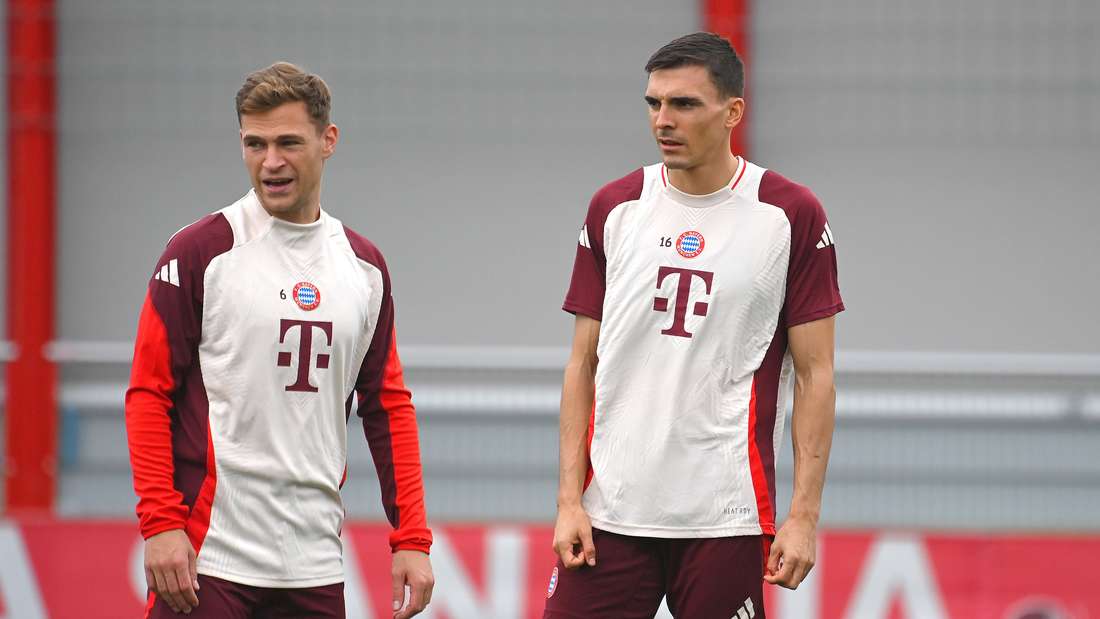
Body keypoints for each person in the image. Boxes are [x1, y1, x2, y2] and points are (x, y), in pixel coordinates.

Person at [544, 32, 843, 618]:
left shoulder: (789, 215)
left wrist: (803, 517)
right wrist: (568, 501)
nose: (663, 120)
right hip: (609, 513)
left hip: (725, 515)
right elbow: (582, 363)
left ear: (732, 112)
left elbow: (817, 375)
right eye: (654, 103)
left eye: (683, 104)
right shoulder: (615, 207)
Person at [125, 62, 434, 618]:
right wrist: (161, 523)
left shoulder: (364, 268)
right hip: (208, 559)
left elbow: (387, 406)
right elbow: (148, 393)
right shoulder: (199, 253)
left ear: (328, 140)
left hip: (315, 566)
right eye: (255, 144)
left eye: (288, 142)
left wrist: (411, 535)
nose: (270, 162)